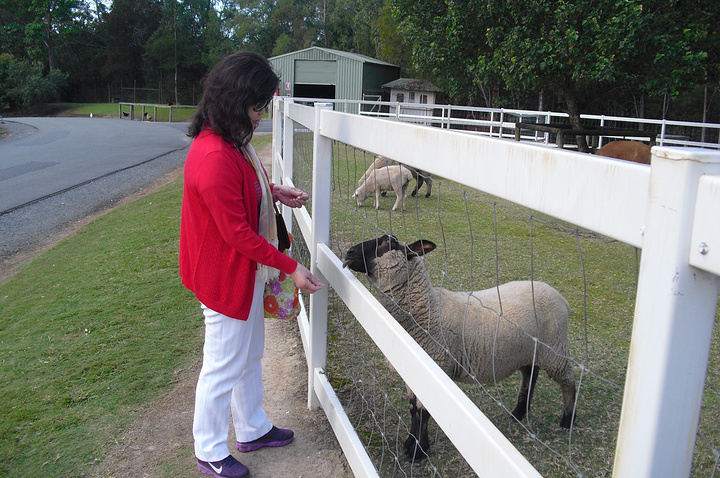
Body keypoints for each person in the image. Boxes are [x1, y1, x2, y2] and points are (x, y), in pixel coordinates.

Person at [179, 51, 324, 478]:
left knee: (249, 354)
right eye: (257, 106)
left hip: (242, 274)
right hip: (225, 278)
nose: (260, 115)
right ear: (234, 100)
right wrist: (291, 266)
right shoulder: (214, 156)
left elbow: (244, 192)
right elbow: (236, 234)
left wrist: (274, 192)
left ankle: (252, 427)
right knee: (223, 364)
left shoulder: (231, 142)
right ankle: (207, 449)